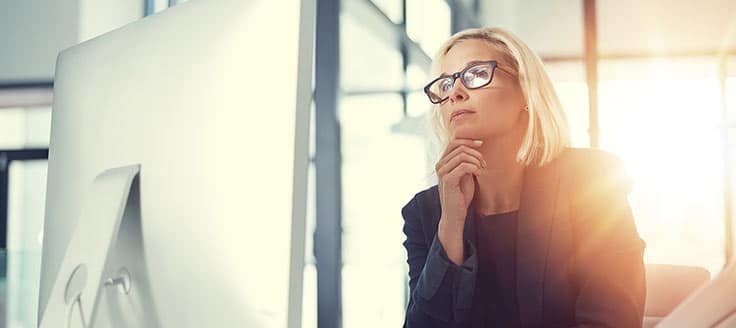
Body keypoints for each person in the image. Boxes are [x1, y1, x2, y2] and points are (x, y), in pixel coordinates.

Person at [401, 27, 646, 327]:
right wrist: (451, 224)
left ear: (524, 93)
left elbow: (610, 320)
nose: (455, 92)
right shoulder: (425, 214)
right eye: (446, 83)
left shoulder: (592, 181)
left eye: (475, 74)